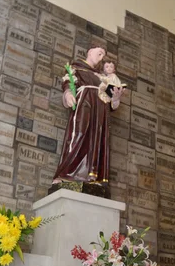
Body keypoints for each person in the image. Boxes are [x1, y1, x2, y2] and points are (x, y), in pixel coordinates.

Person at [53, 45, 125, 185]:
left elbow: (112, 102)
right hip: (84, 105)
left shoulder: (103, 77)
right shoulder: (77, 67)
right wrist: (68, 94)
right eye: (99, 53)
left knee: (97, 140)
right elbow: (68, 82)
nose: (101, 57)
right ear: (90, 52)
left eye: (103, 55)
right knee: (79, 135)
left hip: (100, 112)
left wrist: (115, 98)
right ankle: (66, 174)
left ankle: (92, 177)